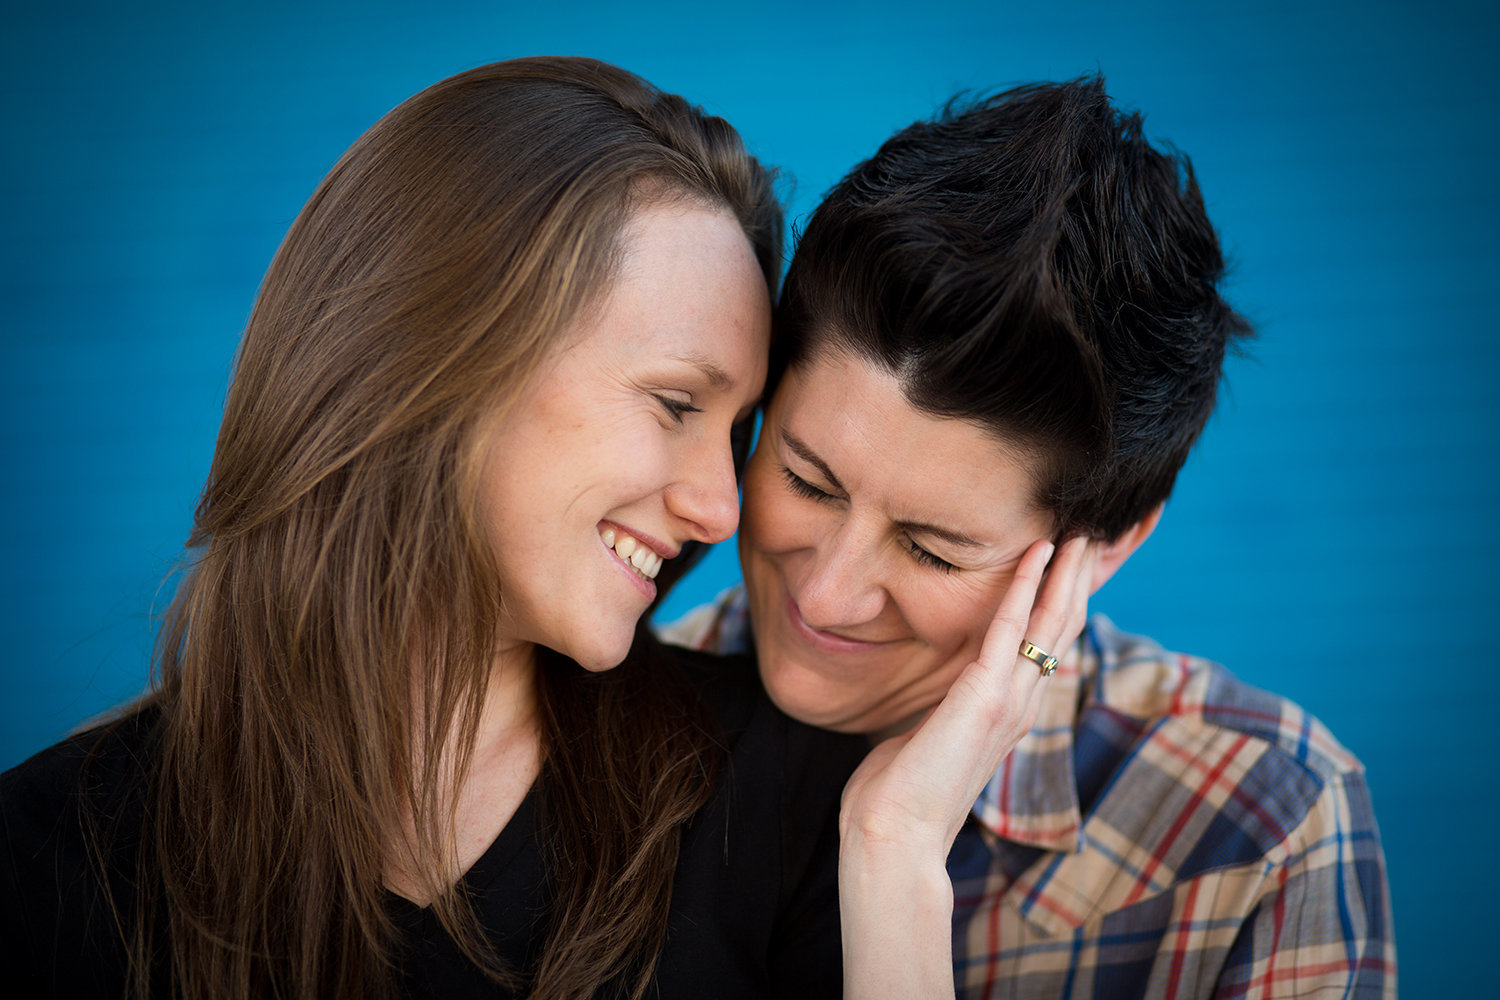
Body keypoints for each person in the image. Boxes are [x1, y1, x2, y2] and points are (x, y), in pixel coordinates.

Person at [0, 57, 867, 999]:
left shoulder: (782, 794)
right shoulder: (41, 863)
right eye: (674, 403)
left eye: (736, 433)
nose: (720, 505)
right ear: (435, 358)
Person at [663, 77, 1395, 998]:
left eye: (933, 549)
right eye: (808, 482)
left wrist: (894, 856)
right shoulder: (609, 716)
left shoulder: (1259, 827)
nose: (824, 595)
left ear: (1109, 548)